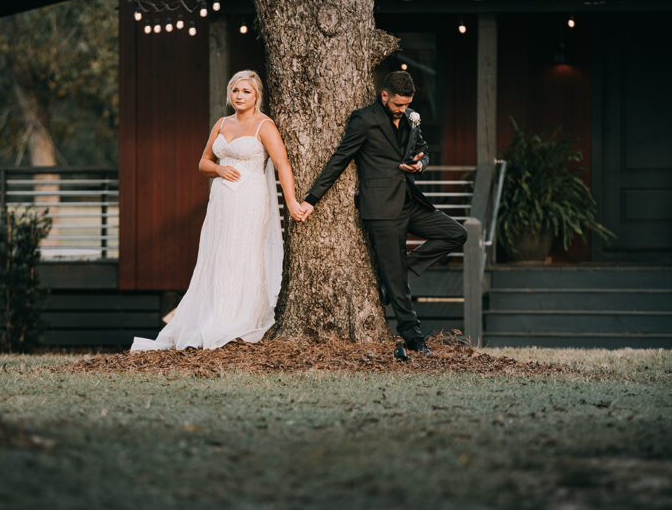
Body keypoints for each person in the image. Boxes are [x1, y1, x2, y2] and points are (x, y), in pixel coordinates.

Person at [299, 70, 467, 361]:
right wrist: (312, 198)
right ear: (384, 95)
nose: (404, 110)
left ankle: (399, 271)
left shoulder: (412, 118)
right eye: (398, 105)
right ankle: (414, 339)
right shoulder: (363, 120)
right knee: (399, 286)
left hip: (410, 201)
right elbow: (340, 158)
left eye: (407, 105)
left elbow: (423, 150)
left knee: (456, 233)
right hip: (380, 209)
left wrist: (420, 165)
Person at [131, 70, 304, 351]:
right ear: (229, 94)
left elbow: (283, 165)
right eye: (235, 91)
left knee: (243, 253)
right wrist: (219, 169)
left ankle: (238, 317)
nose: (240, 96)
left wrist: (292, 202)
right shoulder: (222, 124)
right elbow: (203, 162)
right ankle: (213, 314)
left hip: (250, 199)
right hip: (222, 201)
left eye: (246, 91)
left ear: (257, 95)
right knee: (218, 254)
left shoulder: (265, 126)